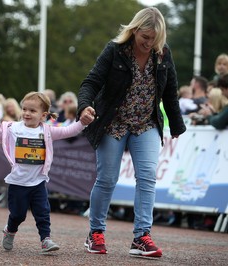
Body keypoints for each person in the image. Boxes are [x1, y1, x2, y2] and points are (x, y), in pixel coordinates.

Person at [77, 7, 186, 258]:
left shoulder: (163, 54)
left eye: (154, 39)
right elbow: (91, 82)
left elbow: (170, 92)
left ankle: (141, 237)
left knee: (147, 176)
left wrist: (177, 125)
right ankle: (95, 233)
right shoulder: (115, 50)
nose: (149, 43)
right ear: (134, 30)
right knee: (107, 179)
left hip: (145, 123)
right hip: (113, 123)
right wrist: (84, 107)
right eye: (145, 37)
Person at [0, 91, 94, 254]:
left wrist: (82, 122)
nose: (27, 113)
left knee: (43, 212)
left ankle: (46, 240)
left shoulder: (47, 131)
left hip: (38, 181)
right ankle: (10, 231)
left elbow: (69, 131)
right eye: (24, 109)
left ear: (43, 115)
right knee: (18, 215)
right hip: (17, 182)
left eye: (32, 111)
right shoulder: (13, 128)